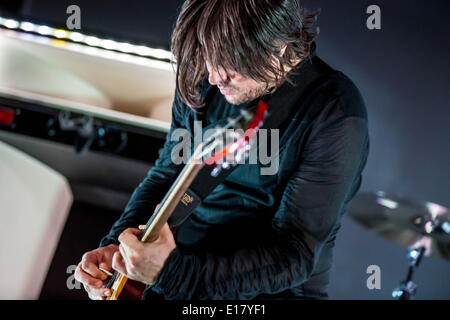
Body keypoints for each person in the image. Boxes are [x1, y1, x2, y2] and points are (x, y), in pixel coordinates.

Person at [75, 0, 369, 300]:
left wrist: (172, 274)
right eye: (207, 58)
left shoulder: (336, 114)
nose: (214, 77)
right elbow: (167, 175)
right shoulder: (204, 77)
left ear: (279, 46)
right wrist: (116, 245)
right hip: (181, 274)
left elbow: (293, 256)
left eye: (228, 62)